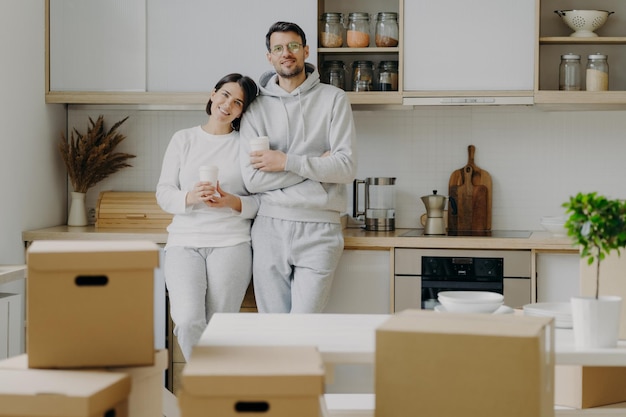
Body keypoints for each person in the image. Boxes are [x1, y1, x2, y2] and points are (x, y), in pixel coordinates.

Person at [240, 21, 357, 313]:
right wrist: (318, 165)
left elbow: (345, 168)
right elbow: (253, 181)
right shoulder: (255, 108)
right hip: (269, 228)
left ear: (305, 50)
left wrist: (284, 162)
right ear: (270, 57)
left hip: (321, 229)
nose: (286, 53)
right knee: (274, 329)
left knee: (305, 326)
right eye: (278, 48)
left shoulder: (334, 99)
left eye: (293, 46)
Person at [156, 73, 259, 361]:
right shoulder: (183, 139)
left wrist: (231, 201)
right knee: (189, 321)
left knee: (219, 327)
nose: (228, 105)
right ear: (213, 94)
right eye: (225, 95)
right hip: (184, 243)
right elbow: (163, 192)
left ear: (243, 111)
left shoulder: (246, 146)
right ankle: (208, 388)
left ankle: (211, 395)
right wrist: (190, 196)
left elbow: (261, 201)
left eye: (238, 102)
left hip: (232, 242)